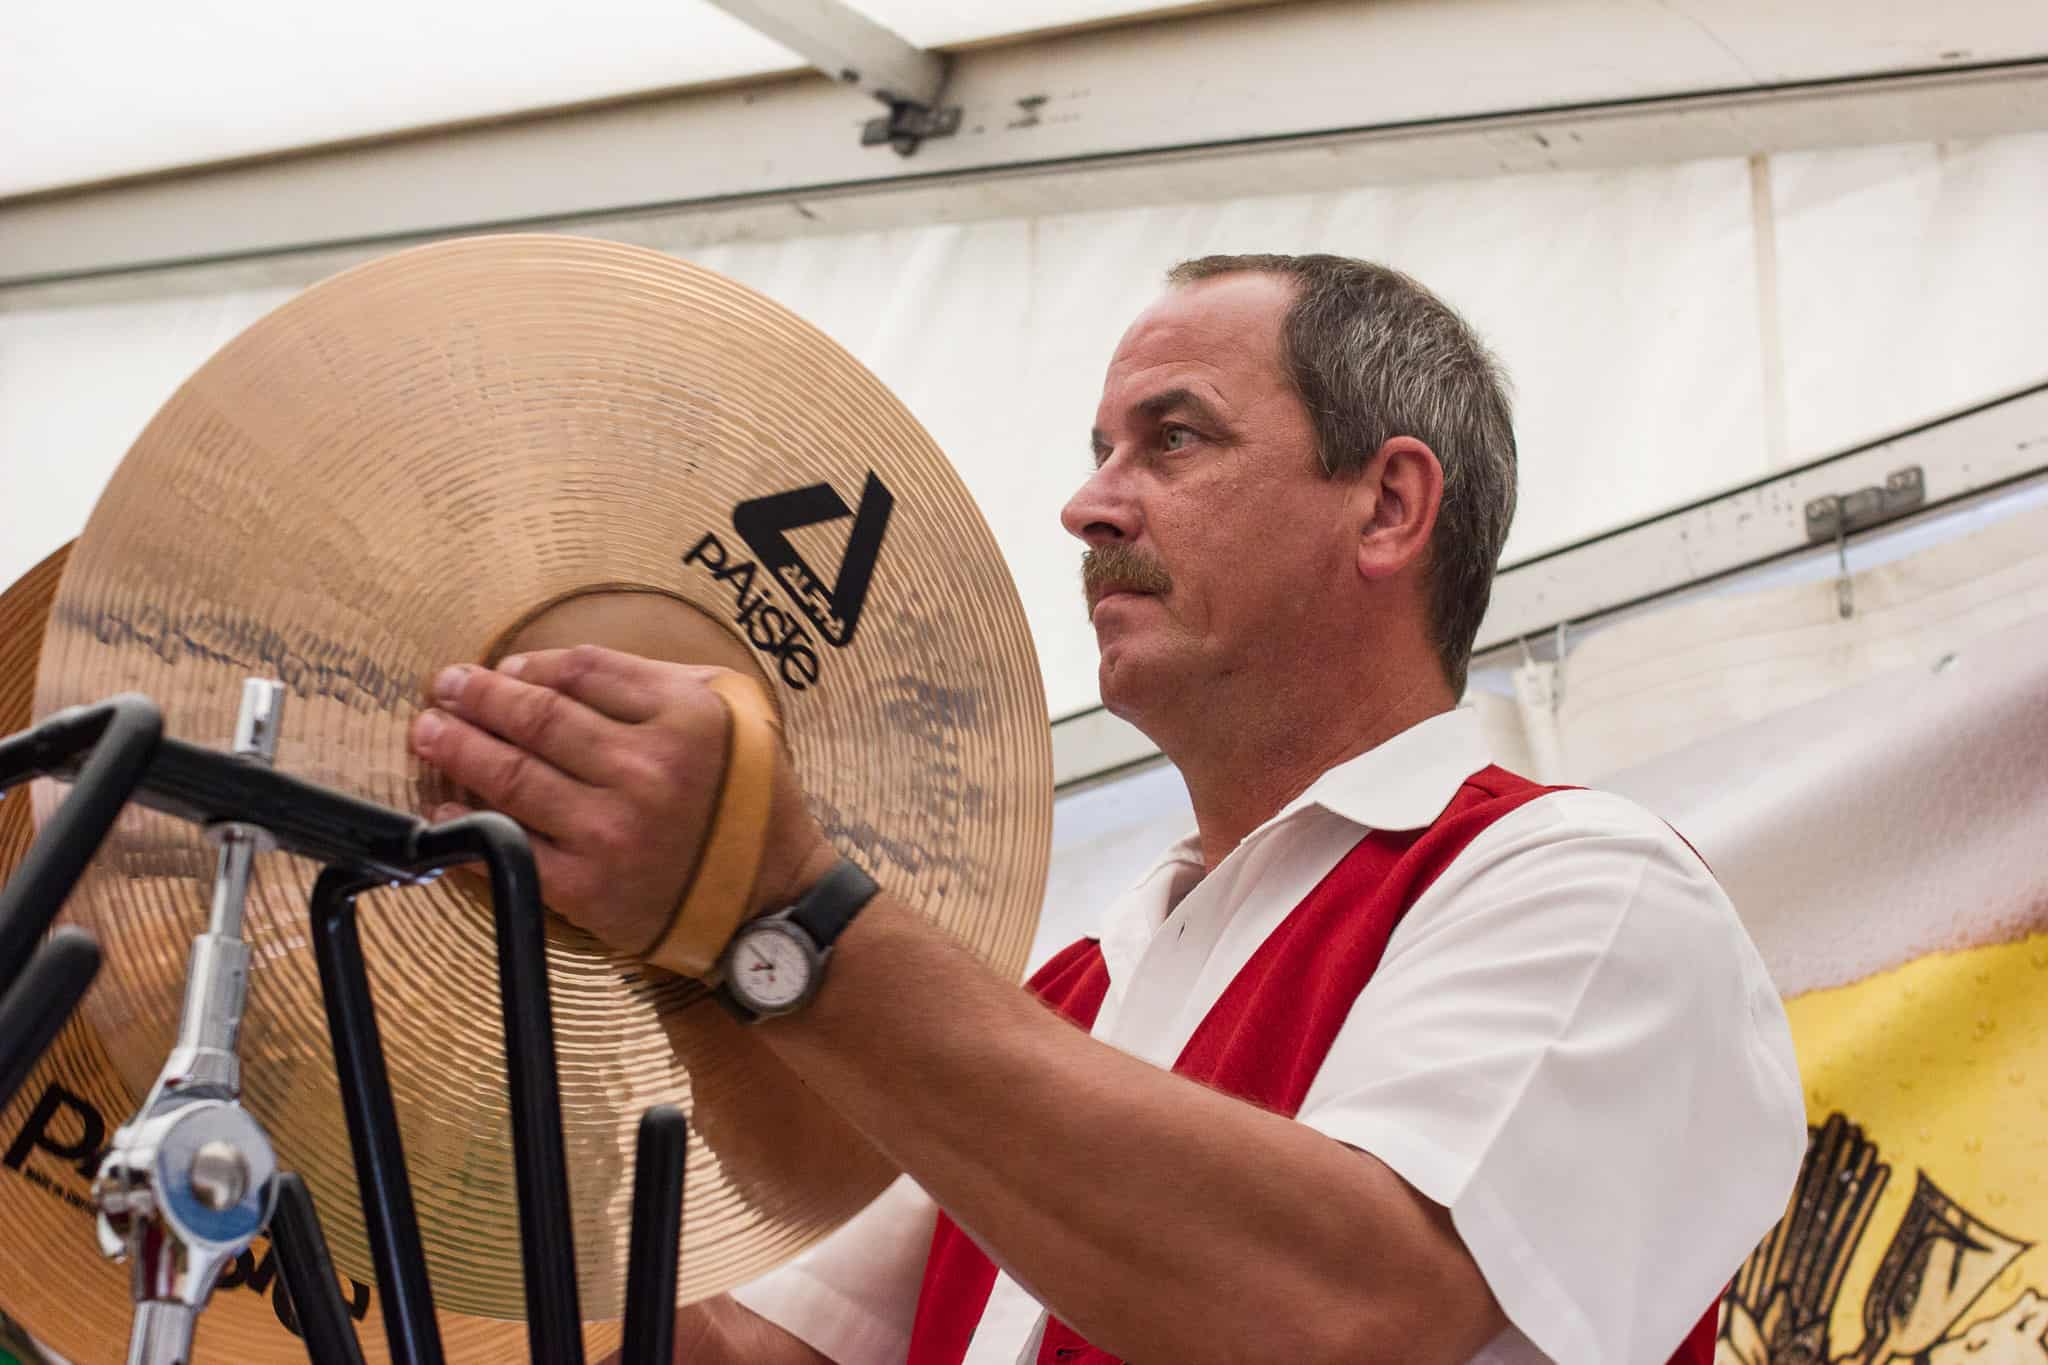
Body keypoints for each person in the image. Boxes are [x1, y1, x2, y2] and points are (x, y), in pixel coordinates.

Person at [408, 254, 1807, 1363]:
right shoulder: (1068, 993)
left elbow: (1345, 1312)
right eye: (1097, 449)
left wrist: (771, 909)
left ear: (1389, 506)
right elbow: (752, 1352)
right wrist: (503, 1018)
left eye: (1173, 439)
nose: (1087, 506)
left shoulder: (1585, 885)